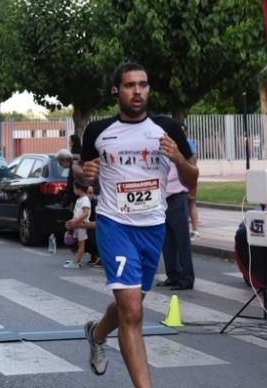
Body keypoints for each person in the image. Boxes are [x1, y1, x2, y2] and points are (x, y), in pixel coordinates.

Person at [78, 62, 198, 387]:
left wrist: (177, 159)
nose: (137, 91)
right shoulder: (97, 131)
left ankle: (97, 333)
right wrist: (85, 174)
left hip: (152, 226)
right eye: (130, 85)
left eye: (143, 85)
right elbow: (81, 170)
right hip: (114, 223)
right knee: (132, 311)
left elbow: (192, 179)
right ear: (116, 90)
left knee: (131, 305)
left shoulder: (167, 128)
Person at [159, 137, 195, 290]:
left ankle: (187, 278)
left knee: (182, 241)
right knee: (167, 241)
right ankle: (172, 275)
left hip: (177, 197)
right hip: (162, 200)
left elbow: (191, 168)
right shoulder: (159, 154)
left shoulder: (179, 153)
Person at [64, 180, 91, 268]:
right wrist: (72, 221)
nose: (73, 190)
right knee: (78, 243)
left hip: (81, 225)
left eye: (74, 188)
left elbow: (85, 213)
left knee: (81, 243)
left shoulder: (85, 200)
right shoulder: (80, 199)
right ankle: (76, 260)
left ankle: (76, 262)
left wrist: (76, 221)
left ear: (79, 189)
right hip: (77, 224)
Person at [182, 124, 201, 240]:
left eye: (183, 131)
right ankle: (192, 230)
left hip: (188, 178)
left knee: (190, 202)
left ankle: (195, 230)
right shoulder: (176, 144)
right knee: (188, 204)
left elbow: (193, 160)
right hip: (182, 178)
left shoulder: (188, 143)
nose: (182, 133)